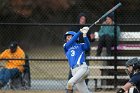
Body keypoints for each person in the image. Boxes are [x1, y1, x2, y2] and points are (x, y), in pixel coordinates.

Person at [68, 12, 95, 87]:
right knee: (73, 70)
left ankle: (85, 86)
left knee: (84, 70)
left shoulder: (88, 29)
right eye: (81, 18)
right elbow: (69, 39)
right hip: (76, 51)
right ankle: (70, 86)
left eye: (84, 19)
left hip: (85, 52)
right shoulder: (73, 28)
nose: (82, 20)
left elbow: (91, 40)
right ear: (78, 19)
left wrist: (92, 37)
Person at [63, 27, 91, 93]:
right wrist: (79, 32)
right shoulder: (66, 46)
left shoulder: (80, 45)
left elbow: (88, 46)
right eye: (67, 37)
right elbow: (70, 42)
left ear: (75, 37)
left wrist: (84, 35)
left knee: (70, 83)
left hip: (82, 68)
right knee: (85, 92)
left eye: (69, 37)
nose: (67, 38)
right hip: (74, 71)